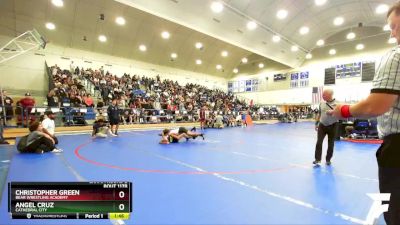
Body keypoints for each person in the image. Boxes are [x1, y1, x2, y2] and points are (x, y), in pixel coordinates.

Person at [328, 4, 400, 224]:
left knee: (395, 212)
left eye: (395, 26)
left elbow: (375, 106)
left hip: (397, 148)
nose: (392, 33)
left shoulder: (395, 56)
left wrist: (344, 111)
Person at [313, 89, 338, 166]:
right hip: (322, 125)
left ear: (330, 95)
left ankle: (328, 159)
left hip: (333, 125)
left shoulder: (337, 104)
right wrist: (316, 123)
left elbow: (341, 115)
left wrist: (333, 113)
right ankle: (317, 159)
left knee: (331, 144)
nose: (322, 96)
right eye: (323, 95)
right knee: (319, 142)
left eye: (324, 95)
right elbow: (319, 114)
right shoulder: (321, 103)